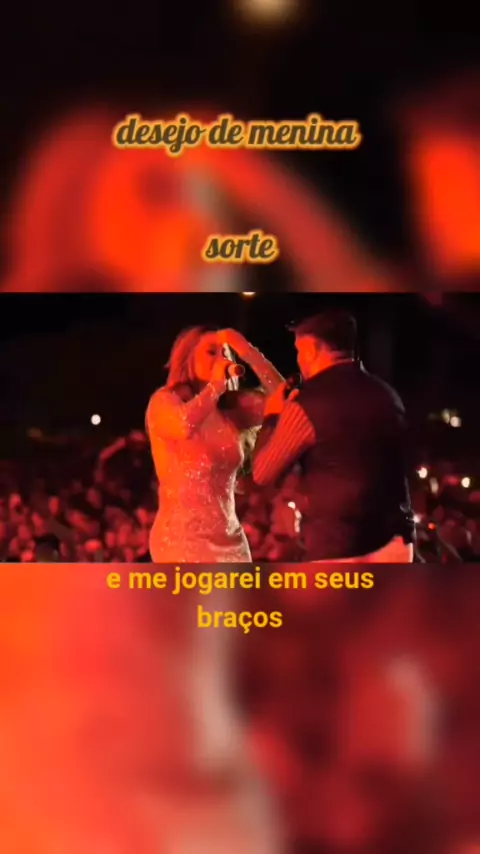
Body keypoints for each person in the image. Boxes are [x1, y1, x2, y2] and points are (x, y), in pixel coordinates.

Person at [252, 310, 414, 562]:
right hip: (395, 544)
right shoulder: (388, 395)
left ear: (311, 350)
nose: (299, 360)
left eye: (299, 351)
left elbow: (262, 473)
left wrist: (273, 417)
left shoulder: (308, 403)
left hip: (337, 545)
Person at [146, 326, 284, 562]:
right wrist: (216, 386)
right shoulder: (164, 402)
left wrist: (248, 352)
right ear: (188, 360)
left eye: (225, 353)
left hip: (231, 540)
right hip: (182, 541)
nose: (220, 359)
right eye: (211, 352)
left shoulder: (230, 410)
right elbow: (184, 426)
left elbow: (283, 400)